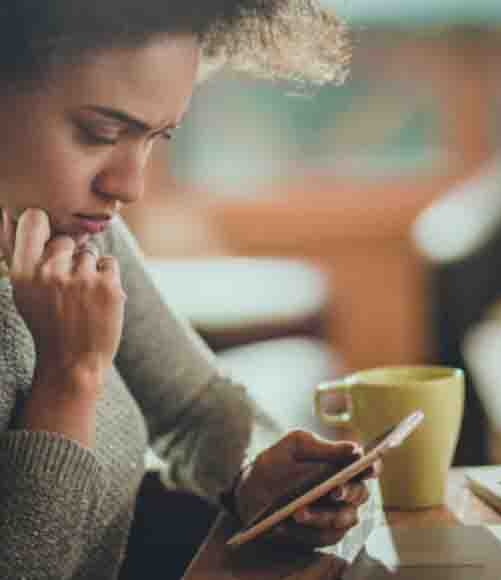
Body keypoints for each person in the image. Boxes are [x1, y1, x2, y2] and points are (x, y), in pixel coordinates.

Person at [0, 2, 375, 580]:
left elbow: (194, 407)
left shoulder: (73, 231)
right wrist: (67, 378)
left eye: (156, 137)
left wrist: (253, 476)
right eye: (100, 133)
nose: (130, 185)